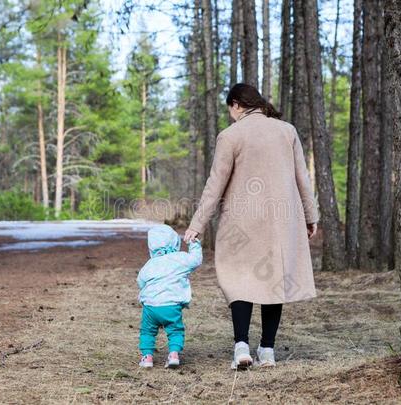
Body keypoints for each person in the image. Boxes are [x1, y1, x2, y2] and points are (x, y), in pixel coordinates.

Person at [184, 83, 319, 370]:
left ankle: (241, 347)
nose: (230, 115)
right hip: (282, 222)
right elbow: (302, 178)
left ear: (236, 104)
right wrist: (311, 215)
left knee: (239, 280)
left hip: (242, 222)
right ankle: (267, 350)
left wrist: (198, 224)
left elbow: (215, 185)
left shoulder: (230, 136)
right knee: (273, 280)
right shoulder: (287, 131)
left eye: (229, 110)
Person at [137, 224, 203, 369]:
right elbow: (196, 260)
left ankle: (147, 357)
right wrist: (194, 243)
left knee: (147, 331)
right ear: (175, 243)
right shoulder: (180, 259)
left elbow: (140, 281)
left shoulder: (150, 264)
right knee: (175, 330)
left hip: (150, 307)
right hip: (171, 306)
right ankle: (173, 354)